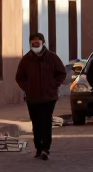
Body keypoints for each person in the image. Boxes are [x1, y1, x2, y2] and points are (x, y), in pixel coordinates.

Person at [16, 32, 68, 160]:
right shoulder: (26, 59)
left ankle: (46, 148)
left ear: (42, 43)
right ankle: (38, 148)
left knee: (46, 122)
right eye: (32, 43)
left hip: (49, 97)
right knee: (36, 123)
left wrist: (53, 85)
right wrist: (27, 88)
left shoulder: (52, 58)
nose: (35, 44)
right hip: (32, 97)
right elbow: (19, 77)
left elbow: (61, 73)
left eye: (37, 42)